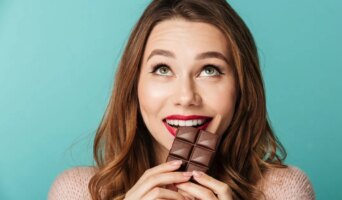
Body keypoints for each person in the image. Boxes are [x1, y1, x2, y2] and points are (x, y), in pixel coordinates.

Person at [49, 0, 315, 199]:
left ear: (242, 87)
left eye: (209, 69)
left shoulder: (283, 190)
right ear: (134, 85)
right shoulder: (79, 192)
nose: (186, 97)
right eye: (163, 69)